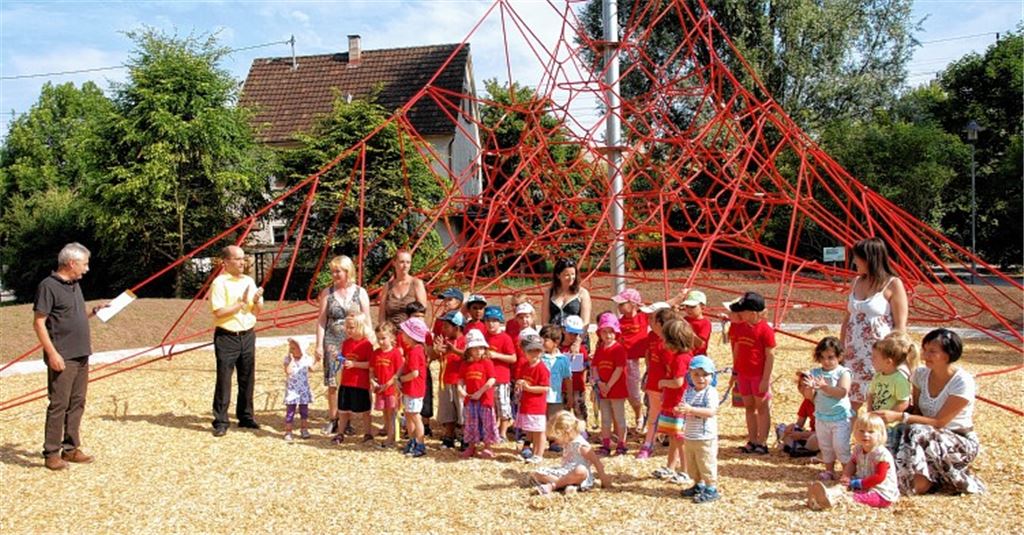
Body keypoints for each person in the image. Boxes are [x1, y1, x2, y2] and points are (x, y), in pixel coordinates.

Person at [874, 328, 985, 495]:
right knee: (888, 435)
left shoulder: (962, 382)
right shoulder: (920, 375)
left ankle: (916, 482)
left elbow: (940, 422)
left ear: (948, 355)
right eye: (925, 350)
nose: (925, 356)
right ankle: (881, 474)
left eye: (932, 352)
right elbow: (917, 411)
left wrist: (899, 416)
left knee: (916, 430)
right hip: (921, 436)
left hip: (957, 440)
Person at [34, 242, 102, 470]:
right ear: (71, 263)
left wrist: (93, 312)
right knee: (59, 404)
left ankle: (71, 449)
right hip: (63, 355)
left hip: (82, 353)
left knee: (77, 402)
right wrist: (52, 353)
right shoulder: (48, 286)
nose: (87, 269)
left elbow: (73, 315)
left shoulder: (74, 285)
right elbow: (39, 323)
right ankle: (51, 453)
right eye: (85, 264)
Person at [841, 237, 908, 411]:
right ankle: (849, 436)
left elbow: (900, 325)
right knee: (849, 403)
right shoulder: (856, 281)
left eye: (858, 257)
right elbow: (847, 318)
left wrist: (895, 354)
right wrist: (841, 347)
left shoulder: (893, 284)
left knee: (878, 402)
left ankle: (873, 436)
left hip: (879, 353)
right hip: (853, 351)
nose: (854, 261)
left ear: (870, 258)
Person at [209, 245, 264, 437]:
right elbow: (218, 311)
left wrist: (256, 300)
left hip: (247, 334)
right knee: (224, 378)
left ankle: (246, 416)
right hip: (227, 336)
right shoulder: (220, 283)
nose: (243, 262)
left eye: (244, 258)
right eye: (238, 259)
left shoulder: (249, 280)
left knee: (247, 377)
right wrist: (239, 304)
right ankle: (221, 420)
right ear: (226, 262)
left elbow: (257, 311)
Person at [314, 255, 372, 435]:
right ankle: (334, 419)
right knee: (333, 382)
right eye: (333, 271)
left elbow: (367, 318)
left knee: (353, 380)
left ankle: (349, 419)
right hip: (333, 341)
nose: (334, 274)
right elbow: (322, 321)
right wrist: (318, 345)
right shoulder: (327, 293)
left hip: (355, 342)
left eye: (338, 271)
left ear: (348, 272)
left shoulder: (360, 292)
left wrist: (371, 340)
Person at [808, 411, 899, 509]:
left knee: (853, 498)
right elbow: (853, 462)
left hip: (881, 493)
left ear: (880, 434)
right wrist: (846, 475)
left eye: (871, 432)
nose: (866, 435)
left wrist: (859, 483)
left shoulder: (881, 454)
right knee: (843, 486)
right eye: (861, 431)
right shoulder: (858, 449)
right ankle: (829, 494)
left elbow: (879, 477)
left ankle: (829, 501)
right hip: (863, 484)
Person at [727, 291, 775, 454]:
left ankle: (763, 441)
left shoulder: (765, 330)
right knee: (748, 407)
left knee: (761, 407)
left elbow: (770, 356)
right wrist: (735, 372)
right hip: (743, 374)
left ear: (753, 313)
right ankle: (752, 439)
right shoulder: (740, 327)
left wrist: (765, 379)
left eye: (743, 310)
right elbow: (737, 349)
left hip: (758, 375)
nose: (740, 313)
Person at [802, 336, 853, 481]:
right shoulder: (815, 373)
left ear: (839, 356)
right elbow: (809, 397)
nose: (826, 361)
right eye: (823, 357)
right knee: (825, 446)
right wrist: (809, 388)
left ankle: (846, 473)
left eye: (830, 357)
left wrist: (825, 387)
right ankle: (829, 470)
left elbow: (842, 392)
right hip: (821, 416)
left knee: (841, 446)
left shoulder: (843, 372)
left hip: (840, 417)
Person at [653, 318, 696, 486]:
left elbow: (678, 382)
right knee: (673, 438)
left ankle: (685, 470)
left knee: (679, 440)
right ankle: (671, 467)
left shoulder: (680, 359)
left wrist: (663, 383)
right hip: (673, 402)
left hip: (677, 404)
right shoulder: (683, 356)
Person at [530, 410, 611, 495]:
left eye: (556, 438)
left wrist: (605, 481)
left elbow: (597, 463)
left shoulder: (581, 446)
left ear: (566, 432)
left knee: (581, 470)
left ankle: (554, 485)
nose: (555, 442)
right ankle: (567, 485)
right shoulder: (568, 442)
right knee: (536, 473)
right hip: (565, 472)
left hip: (578, 475)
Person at [678, 355, 721, 503]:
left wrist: (691, 409)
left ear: (712, 376)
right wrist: (679, 410)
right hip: (690, 435)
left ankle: (711, 488)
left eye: (705, 375)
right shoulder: (688, 392)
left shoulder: (711, 392)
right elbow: (684, 407)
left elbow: (711, 412)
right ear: (690, 375)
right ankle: (698, 484)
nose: (701, 378)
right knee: (693, 463)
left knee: (706, 463)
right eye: (696, 374)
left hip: (705, 437)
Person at [865, 331, 916, 453]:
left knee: (885, 450)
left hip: (890, 425)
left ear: (888, 361)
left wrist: (889, 415)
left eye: (875, 358)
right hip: (876, 419)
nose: (872, 360)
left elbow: (904, 402)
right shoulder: (878, 376)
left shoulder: (899, 379)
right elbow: (871, 393)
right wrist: (870, 410)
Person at [637, 305, 677, 459]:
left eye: (653, 320)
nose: (649, 322)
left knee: (671, 416)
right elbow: (649, 356)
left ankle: (674, 445)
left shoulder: (668, 345)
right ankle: (648, 444)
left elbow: (670, 367)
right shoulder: (654, 338)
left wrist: (667, 384)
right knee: (653, 415)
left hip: (664, 386)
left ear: (661, 324)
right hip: (655, 384)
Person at [591, 312, 629, 456]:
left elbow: (619, 369)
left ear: (616, 332)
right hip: (603, 389)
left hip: (616, 388)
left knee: (619, 418)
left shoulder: (618, 349)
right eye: (604, 332)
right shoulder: (600, 349)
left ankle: (621, 444)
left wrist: (608, 385)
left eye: (611, 332)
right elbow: (594, 367)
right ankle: (606, 444)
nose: (608, 335)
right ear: (600, 333)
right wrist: (599, 382)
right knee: (605, 418)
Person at [612, 288, 648, 434]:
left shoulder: (643, 317)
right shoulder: (619, 322)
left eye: (622, 303)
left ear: (633, 304)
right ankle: (625, 421)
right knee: (622, 392)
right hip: (622, 360)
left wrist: (679, 298)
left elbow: (663, 308)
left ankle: (639, 416)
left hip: (634, 360)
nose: (619, 306)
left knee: (633, 392)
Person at [334, 314, 374, 445]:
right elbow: (345, 359)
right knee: (343, 410)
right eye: (347, 327)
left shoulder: (366, 344)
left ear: (360, 327)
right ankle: (340, 433)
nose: (348, 330)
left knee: (365, 411)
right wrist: (338, 357)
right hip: (346, 382)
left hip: (360, 383)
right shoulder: (346, 343)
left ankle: (368, 433)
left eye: (351, 327)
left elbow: (370, 364)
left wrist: (354, 364)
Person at [460, 330, 499, 458]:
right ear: (469, 350)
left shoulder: (487, 363)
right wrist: (460, 389)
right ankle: (472, 446)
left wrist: (480, 391)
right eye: (475, 348)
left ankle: (488, 447)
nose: (478, 351)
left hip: (485, 399)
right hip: (471, 399)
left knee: (487, 423)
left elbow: (492, 379)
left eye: (481, 348)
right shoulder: (466, 364)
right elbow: (460, 379)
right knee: (471, 423)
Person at [431, 310, 467, 449]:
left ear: (457, 328)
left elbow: (469, 356)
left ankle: (465, 437)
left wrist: (455, 350)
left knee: (462, 411)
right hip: (445, 380)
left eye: (446, 326)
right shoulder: (446, 341)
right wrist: (436, 350)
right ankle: (449, 436)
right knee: (448, 411)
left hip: (460, 382)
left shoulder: (465, 340)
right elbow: (435, 358)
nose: (443, 329)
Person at [482, 305, 517, 441]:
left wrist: (496, 355)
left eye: (494, 321)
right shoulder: (483, 337)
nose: (491, 324)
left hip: (501, 378)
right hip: (486, 378)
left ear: (500, 322)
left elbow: (513, 358)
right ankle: (492, 432)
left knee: (503, 406)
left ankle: (502, 433)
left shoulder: (505, 338)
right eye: (488, 320)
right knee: (490, 406)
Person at [516, 334, 550, 463]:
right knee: (531, 430)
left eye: (537, 350)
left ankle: (539, 454)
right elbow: (521, 380)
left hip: (537, 406)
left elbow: (545, 388)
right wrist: (520, 384)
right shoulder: (525, 366)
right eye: (531, 350)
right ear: (525, 352)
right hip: (527, 404)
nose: (534, 353)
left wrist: (529, 388)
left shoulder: (541, 368)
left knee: (539, 431)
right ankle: (533, 452)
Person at [398, 317, 429, 457]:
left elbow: (414, 373)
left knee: (415, 416)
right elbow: (405, 365)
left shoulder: (415, 351)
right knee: (409, 415)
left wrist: (401, 379)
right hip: (410, 388)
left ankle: (420, 443)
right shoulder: (413, 350)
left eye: (404, 333)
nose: (401, 336)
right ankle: (412, 440)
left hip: (414, 389)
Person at [539, 325, 573, 452]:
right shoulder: (539, 358)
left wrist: (570, 396)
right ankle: (537, 441)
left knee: (554, 419)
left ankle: (554, 441)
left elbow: (568, 378)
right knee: (540, 419)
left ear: (556, 342)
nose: (542, 342)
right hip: (540, 395)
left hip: (555, 396)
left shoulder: (563, 359)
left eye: (546, 340)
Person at [371, 323, 404, 448]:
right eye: (378, 338)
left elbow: (399, 371)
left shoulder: (395, 353)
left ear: (391, 337)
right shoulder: (376, 353)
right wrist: (372, 381)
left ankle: (391, 438)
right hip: (381, 389)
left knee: (392, 413)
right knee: (385, 412)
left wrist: (389, 383)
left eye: (383, 338)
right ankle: (388, 432)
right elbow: (371, 370)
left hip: (391, 389)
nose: (381, 341)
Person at [378, 249, 428, 326]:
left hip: (409, 332)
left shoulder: (416, 284)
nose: (405, 266)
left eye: (408, 262)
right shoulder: (387, 286)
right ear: (394, 263)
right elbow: (382, 314)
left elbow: (421, 313)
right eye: (402, 262)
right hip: (390, 333)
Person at [777, 372, 819, 457]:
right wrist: (792, 427)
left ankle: (796, 448)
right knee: (780, 428)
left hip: (819, 435)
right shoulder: (806, 402)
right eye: (800, 386)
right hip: (808, 435)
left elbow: (824, 431)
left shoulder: (823, 403)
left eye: (806, 386)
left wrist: (802, 435)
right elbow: (799, 424)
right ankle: (800, 449)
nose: (803, 389)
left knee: (816, 438)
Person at [542, 257, 592, 327]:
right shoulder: (549, 293)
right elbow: (545, 322)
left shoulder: (582, 293)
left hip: (575, 335)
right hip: (555, 335)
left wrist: (579, 337)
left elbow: (585, 322)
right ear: (558, 275)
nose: (571, 278)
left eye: (573, 274)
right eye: (567, 275)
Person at [282, 338, 315, 442]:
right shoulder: (288, 360)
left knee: (304, 411)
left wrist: (317, 360)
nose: (291, 350)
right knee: (290, 411)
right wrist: (292, 361)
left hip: (303, 390)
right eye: (290, 348)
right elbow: (288, 371)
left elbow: (312, 369)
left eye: (294, 348)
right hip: (292, 391)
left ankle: (304, 429)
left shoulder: (306, 359)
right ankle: (288, 431)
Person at [559, 315, 589, 424]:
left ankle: (582, 430)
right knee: (562, 412)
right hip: (561, 387)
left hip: (577, 386)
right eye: (570, 333)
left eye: (576, 334)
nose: (573, 336)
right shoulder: (558, 349)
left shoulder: (581, 349)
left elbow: (585, 366)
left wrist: (583, 384)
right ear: (563, 330)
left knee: (579, 409)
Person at [679, 290, 712, 356]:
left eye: (692, 307)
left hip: (698, 357)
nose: (688, 309)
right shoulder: (685, 319)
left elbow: (700, 344)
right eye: (687, 306)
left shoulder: (705, 323)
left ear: (702, 307)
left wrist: (687, 329)